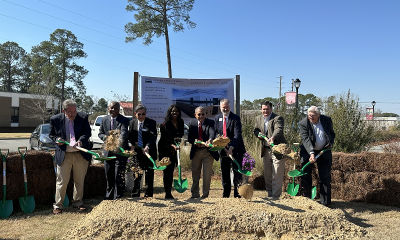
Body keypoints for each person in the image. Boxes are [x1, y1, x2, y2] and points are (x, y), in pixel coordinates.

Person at [49, 99, 92, 214]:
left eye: (74, 111)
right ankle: (58, 205)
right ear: (64, 111)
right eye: (70, 112)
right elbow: (51, 135)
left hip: (80, 154)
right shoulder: (55, 119)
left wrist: (80, 142)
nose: (73, 114)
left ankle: (78, 202)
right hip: (64, 154)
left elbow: (87, 133)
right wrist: (57, 140)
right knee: (62, 181)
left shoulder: (83, 117)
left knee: (79, 180)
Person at [299, 106, 335, 207]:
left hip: (324, 152)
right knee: (306, 177)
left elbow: (332, 133)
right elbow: (305, 139)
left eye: (313, 115)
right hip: (307, 152)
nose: (310, 117)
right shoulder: (304, 123)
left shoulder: (326, 120)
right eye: (309, 115)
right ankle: (307, 202)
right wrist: (311, 152)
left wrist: (330, 143)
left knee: (325, 178)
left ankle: (326, 204)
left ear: (319, 115)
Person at [253, 101, 286, 198]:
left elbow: (278, 129)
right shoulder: (258, 118)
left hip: (277, 149)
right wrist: (258, 135)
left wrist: (273, 137)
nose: (265, 111)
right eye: (263, 109)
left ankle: (276, 196)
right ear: (261, 109)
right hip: (266, 150)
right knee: (267, 175)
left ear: (271, 109)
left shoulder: (277, 118)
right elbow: (256, 130)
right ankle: (270, 194)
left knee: (277, 174)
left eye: (267, 109)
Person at [214, 99, 246, 198]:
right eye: (223, 107)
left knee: (237, 173)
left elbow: (237, 135)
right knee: (225, 173)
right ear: (220, 107)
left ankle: (237, 194)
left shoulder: (235, 118)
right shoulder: (217, 118)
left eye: (227, 107)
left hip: (236, 150)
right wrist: (219, 144)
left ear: (229, 107)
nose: (225, 109)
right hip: (223, 150)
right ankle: (226, 195)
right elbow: (216, 132)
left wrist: (231, 147)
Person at [98, 101, 130, 200]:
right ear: (108, 108)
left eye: (116, 108)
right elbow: (100, 133)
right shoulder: (104, 119)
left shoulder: (124, 120)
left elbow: (124, 133)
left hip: (119, 152)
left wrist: (116, 140)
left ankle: (118, 197)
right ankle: (109, 196)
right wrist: (105, 137)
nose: (113, 110)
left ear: (119, 109)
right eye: (112, 108)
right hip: (108, 152)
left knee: (118, 175)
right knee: (109, 174)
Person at [188, 106, 219, 199]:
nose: (201, 116)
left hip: (208, 153)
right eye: (199, 114)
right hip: (196, 152)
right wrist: (194, 141)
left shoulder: (210, 122)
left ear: (205, 114)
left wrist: (210, 140)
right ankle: (194, 194)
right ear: (195, 115)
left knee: (206, 175)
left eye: (203, 114)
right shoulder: (191, 123)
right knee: (195, 174)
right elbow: (189, 138)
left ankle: (205, 195)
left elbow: (212, 133)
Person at [128, 104, 157, 198]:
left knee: (149, 174)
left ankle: (148, 194)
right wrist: (134, 142)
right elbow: (130, 136)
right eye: (139, 114)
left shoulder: (151, 123)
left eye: (143, 114)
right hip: (138, 153)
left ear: (146, 113)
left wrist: (147, 146)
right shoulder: (132, 123)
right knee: (137, 173)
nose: (141, 116)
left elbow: (153, 136)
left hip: (149, 153)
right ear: (135, 114)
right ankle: (135, 194)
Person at [158, 104, 184, 199]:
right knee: (167, 171)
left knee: (171, 170)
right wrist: (172, 145)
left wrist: (178, 140)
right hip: (165, 149)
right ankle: (167, 193)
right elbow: (165, 139)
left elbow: (181, 133)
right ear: (170, 112)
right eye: (173, 111)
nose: (175, 113)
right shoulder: (165, 124)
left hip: (174, 149)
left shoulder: (180, 122)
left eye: (176, 111)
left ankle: (169, 192)